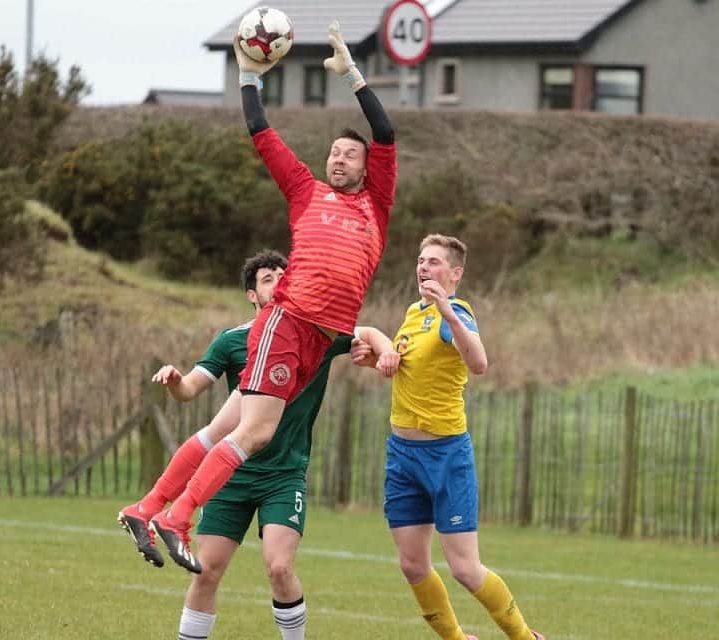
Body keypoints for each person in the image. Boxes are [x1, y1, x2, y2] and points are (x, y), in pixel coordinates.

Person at [147, 19, 398, 574]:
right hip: (289, 320)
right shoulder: (306, 192)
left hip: (320, 336)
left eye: (348, 155)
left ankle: (168, 511)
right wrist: (247, 77)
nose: (339, 159)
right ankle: (176, 514)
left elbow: (385, 131)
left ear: (366, 168)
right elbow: (262, 133)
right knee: (252, 431)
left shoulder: (375, 204)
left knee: (252, 433)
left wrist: (354, 75)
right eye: (333, 152)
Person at [119, 249, 398, 640]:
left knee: (280, 569)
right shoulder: (235, 340)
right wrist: (175, 382)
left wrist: (385, 353)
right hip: (230, 474)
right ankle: (163, 512)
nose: (280, 282)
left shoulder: (316, 331)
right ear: (252, 294)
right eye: (268, 279)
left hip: (283, 475)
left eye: (284, 276)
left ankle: (154, 508)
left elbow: (366, 332)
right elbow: (191, 389)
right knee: (207, 570)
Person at [352, 235, 545, 640]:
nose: (424, 267)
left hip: (444, 454)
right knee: (412, 565)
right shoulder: (411, 314)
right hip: (402, 455)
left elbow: (479, 363)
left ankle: (525, 637)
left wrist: (448, 313)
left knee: (464, 569)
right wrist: (378, 362)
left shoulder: (454, 312)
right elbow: (415, 373)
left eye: (435, 262)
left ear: (455, 274)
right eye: (421, 260)